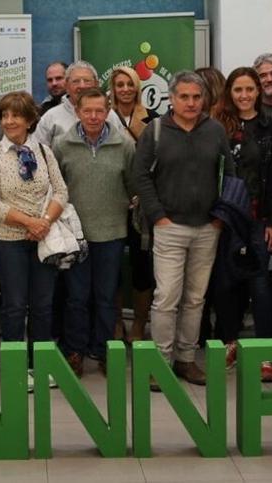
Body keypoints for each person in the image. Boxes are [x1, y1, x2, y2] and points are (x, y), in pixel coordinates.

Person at [133, 71, 235, 386]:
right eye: (184, 97)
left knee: (195, 299)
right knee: (166, 297)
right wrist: (158, 215)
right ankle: (160, 363)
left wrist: (219, 218)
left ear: (204, 99)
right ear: (172, 99)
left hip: (207, 228)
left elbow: (229, 176)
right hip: (169, 227)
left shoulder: (215, 131)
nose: (191, 103)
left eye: (196, 97)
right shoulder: (156, 131)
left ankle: (186, 360)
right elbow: (139, 176)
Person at [0, 91, 67, 390]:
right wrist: (30, 222)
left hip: (44, 239)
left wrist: (44, 223)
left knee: (43, 305)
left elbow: (61, 192)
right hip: (8, 241)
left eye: (16, 115)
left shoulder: (44, 152)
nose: (9, 121)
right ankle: (15, 370)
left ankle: (40, 367)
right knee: (15, 306)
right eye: (4, 115)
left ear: (30, 119)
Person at [52, 88, 134, 377]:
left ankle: (102, 351)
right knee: (76, 297)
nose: (94, 116)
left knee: (106, 297)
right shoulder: (62, 144)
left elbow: (133, 184)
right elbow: (55, 188)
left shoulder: (124, 144)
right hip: (75, 236)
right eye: (88, 110)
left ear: (108, 110)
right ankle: (75, 351)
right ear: (77, 111)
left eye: (100, 110)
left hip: (112, 232)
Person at [209, 67, 272, 382]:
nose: (244, 95)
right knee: (225, 285)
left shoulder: (271, 127)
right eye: (237, 90)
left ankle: (265, 352)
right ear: (229, 92)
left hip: (256, 218)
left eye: (249, 89)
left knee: (260, 284)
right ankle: (230, 343)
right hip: (224, 217)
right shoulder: (215, 126)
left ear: (257, 91)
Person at [109, 65, 160, 342]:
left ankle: (140, 323)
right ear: (113, 89)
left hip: (142, 203)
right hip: (112, 202)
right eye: (119, 84)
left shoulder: (153, 119)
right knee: (114, 265)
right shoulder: (102, 118)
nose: (125, 90)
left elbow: (158, 160)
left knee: (142, 266)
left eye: (130, 84)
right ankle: (117, 322)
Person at [34, 61, 124, 148]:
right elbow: (37, 154)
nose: (82, 86)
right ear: (67, 85)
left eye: (87, 81)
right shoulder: (50, 117)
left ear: (96, 84)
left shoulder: (109, 115)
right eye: (76, 81)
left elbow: (123, 148)